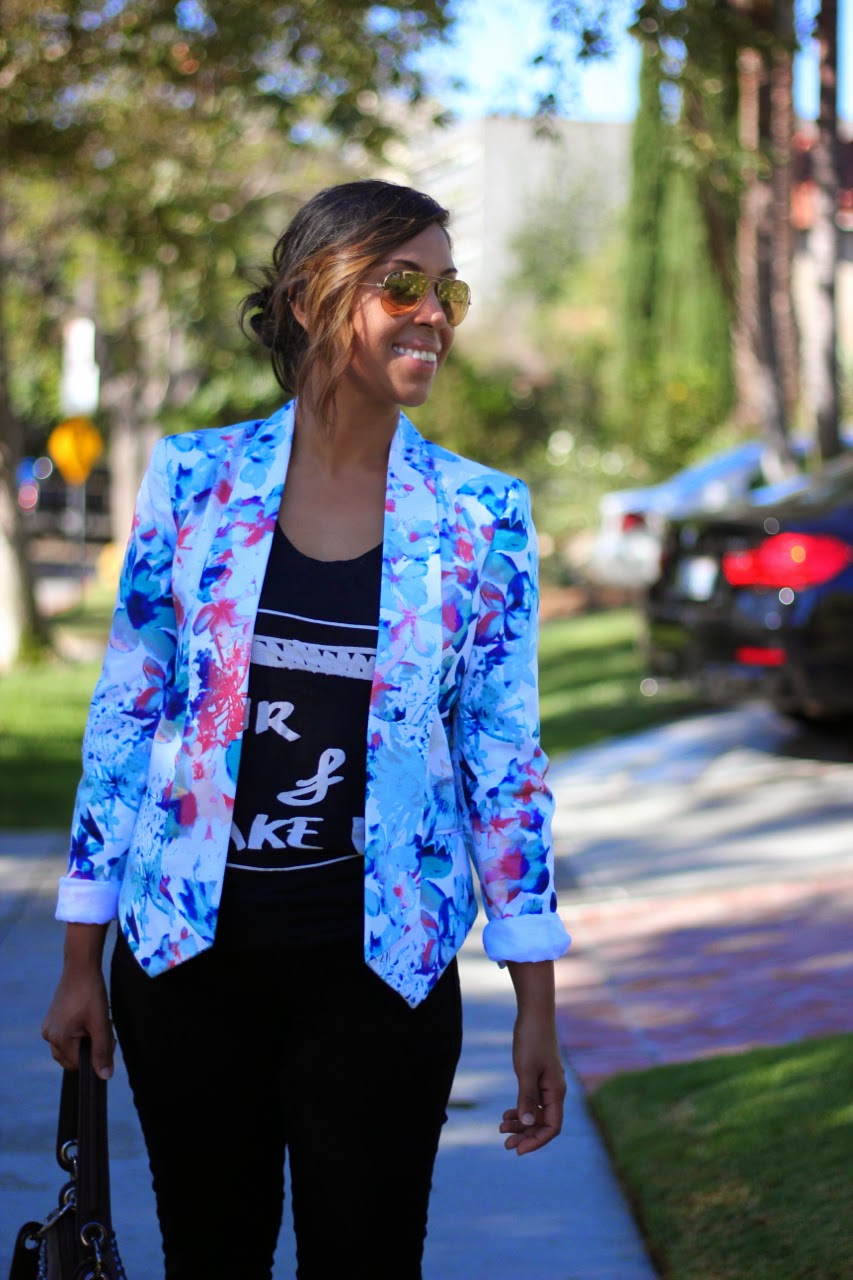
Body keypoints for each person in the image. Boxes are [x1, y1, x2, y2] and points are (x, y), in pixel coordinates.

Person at [42, 179, 572, 1280]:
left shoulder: (481, 513)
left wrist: (534, 994)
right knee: (211, 1257)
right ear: (311, 296)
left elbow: (501, 756)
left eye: (448, 291)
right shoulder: (194, 480)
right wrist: (80, 957)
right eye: (403, 285)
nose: (433, 316)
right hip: (188, 958)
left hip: (381, 965)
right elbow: (128, 714)